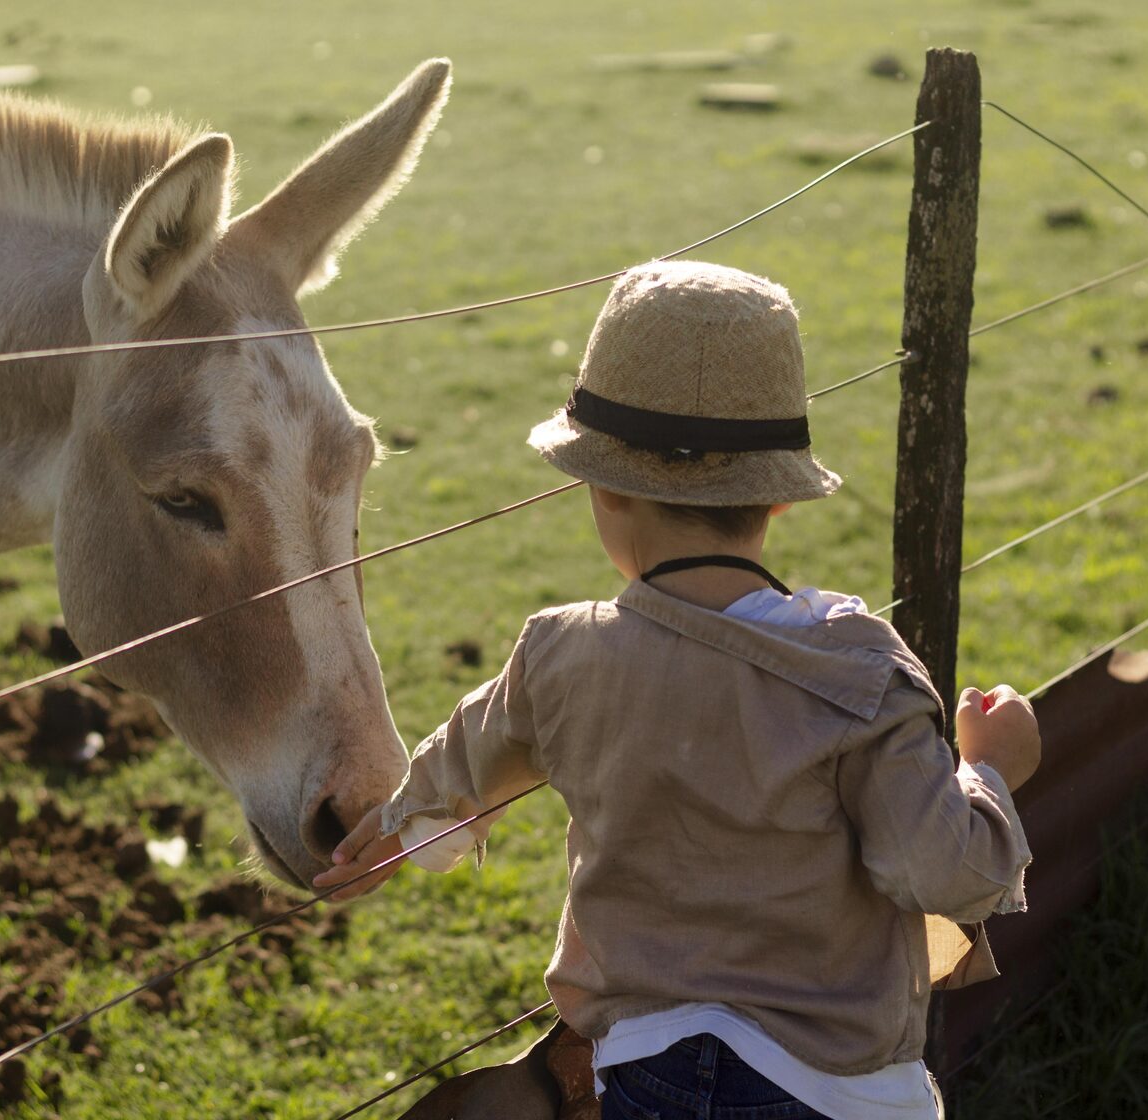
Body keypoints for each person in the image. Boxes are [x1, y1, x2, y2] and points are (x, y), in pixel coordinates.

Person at [315, 260, 1040, 1120]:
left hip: (642, 1078)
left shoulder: (562, 655)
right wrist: (990, 770)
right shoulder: (856, 673)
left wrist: (398, 829)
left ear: (604, 487)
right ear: (776, 501)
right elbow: (942, 870)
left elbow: (471, 755)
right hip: (836, 1092)